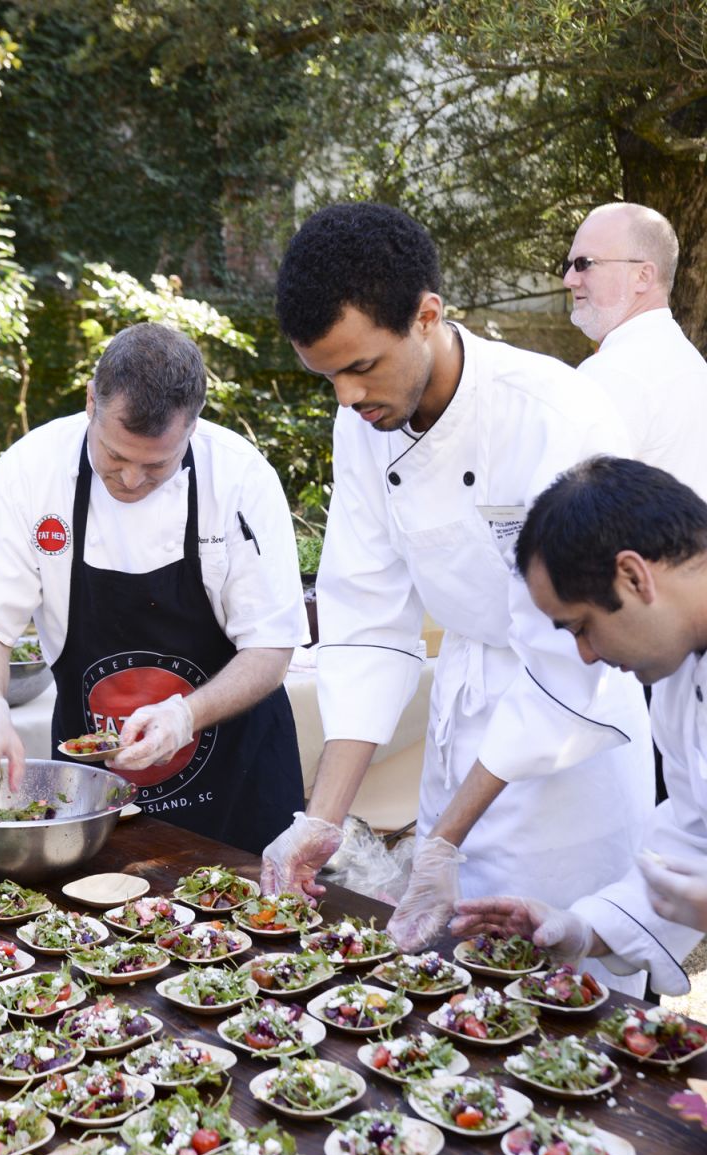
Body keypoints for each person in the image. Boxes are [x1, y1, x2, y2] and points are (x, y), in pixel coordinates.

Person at [262, 201, 654, 993]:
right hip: (465, 723)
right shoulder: (364, 424)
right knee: (455, 1009)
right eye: (326, 374)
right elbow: (368, 622)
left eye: (362, 366)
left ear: (428, 316)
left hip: (568, 762)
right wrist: (323, 819)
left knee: (571, 1004)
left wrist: (438, 841)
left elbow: (568, 655)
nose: (344, 397)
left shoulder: (557, 416)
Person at [0, 322, 308, 854]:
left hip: (237, 780)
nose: (131, 481)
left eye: (156, 465)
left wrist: (185, 715)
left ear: (193, 426)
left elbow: (271, 647)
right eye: (114, 457)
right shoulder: (32, 471)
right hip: (95, 783)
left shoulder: (239, 478)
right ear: (91, 401)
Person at [452, 456, 707, 996]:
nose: (586, 655)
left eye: (583, 627)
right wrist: (586, 927)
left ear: (634, 576)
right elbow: (693, 832)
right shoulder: (680, 677)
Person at [563, 201, 707, 497]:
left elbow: (572, 507)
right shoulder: (687, 359)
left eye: (584, 264)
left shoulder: (614, 372)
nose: (569, 279)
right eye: (568, 265)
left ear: (643, 276)